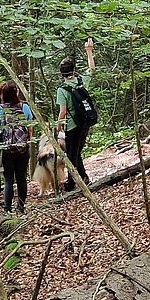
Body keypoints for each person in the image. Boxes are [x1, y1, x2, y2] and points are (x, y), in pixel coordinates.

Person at [56, 37, 95, 192]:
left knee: (72, 154)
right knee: (76, 152)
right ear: (73, 70)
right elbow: (91, 69)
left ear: (61, 73)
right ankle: (83, 177)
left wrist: (58, 126)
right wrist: (89, 51)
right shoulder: (80, 81)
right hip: (85, 122)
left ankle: (72, 183)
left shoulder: (62, 90)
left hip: (72, 126)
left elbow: (63, 111)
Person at [0, 81, 33, 214]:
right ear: (16, 92)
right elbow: (30, 128)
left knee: (8, 179)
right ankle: (20, 208)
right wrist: (27, 142)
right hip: (23, 148)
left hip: (7, 149)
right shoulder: (24, 107)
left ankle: (7, 209)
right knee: (21, 179)